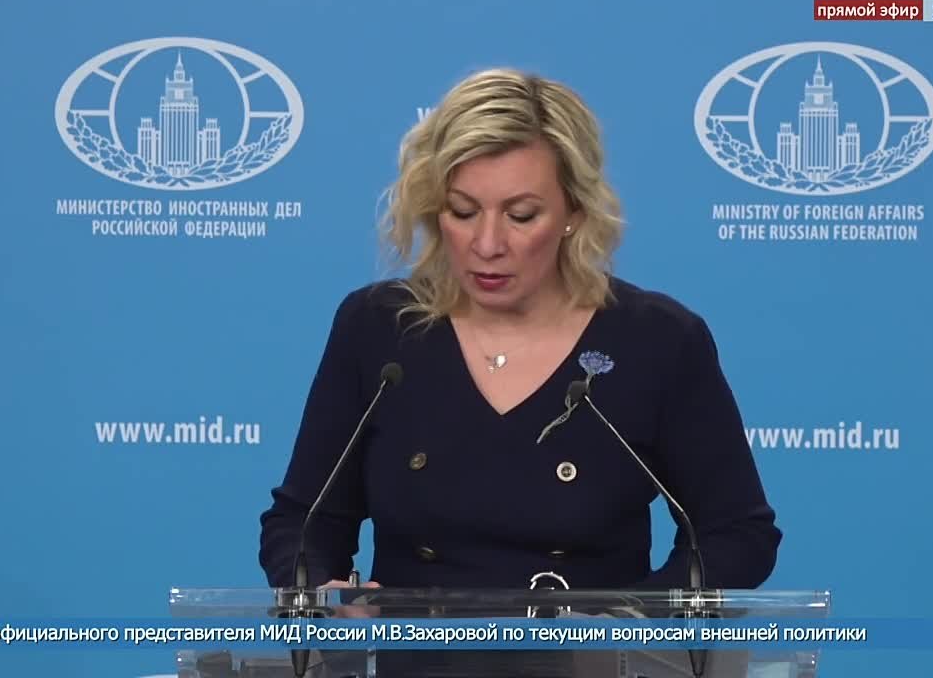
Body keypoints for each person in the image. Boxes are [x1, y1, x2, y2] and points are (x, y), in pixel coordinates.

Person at [258, 68, 780, 592]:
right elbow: (303, 522)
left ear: (574, 211)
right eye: (463, 211)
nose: (487, 244)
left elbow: (736, 534)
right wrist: (319, 589)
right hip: (414, 642)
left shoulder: (658, 340)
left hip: (589, 644)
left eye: (522, 215)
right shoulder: (377, 328)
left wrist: (626, 620)